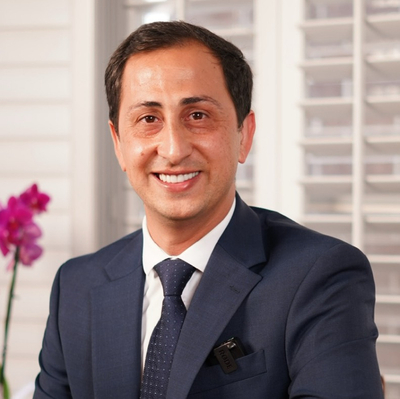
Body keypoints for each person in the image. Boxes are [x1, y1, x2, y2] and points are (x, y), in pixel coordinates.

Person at [33, 21, 384, 399]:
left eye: (197, 115)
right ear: (118, 143)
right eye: (149, 119)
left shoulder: (321, 276)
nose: (173, 149)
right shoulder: (76, 287)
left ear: (244, 135)